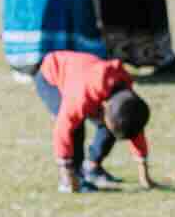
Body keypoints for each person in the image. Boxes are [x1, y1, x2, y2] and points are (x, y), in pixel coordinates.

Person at [34, 49, 156, 193]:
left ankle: (92, 168)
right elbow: (62, 131)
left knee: (113, 126)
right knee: (76, 128)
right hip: (51, 76)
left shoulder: (125, 95)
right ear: (104, 105)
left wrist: (145, 177)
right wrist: (67, 172)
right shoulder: (80, 97)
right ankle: (71, 179)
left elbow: (133, 126)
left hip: (86, 76)